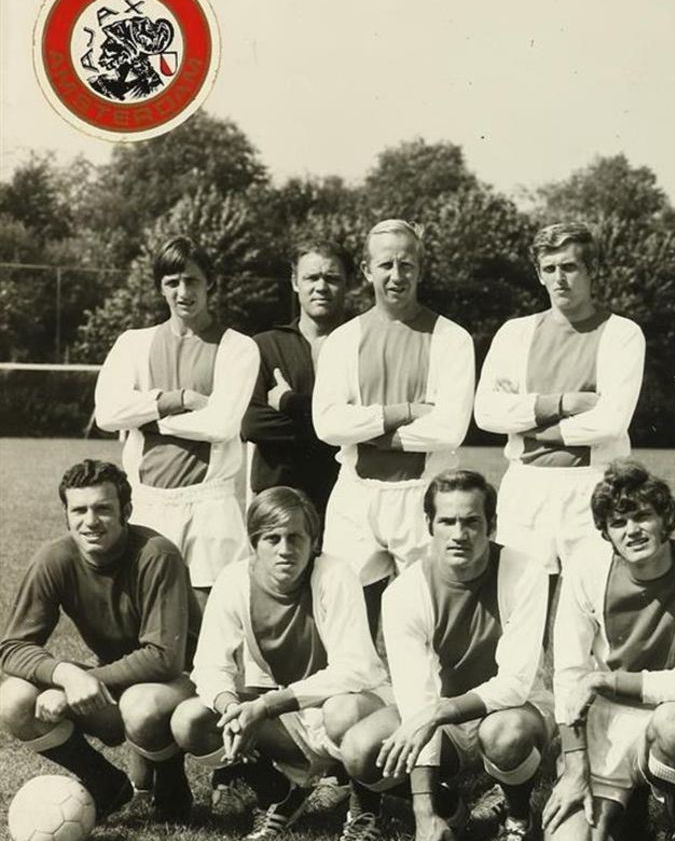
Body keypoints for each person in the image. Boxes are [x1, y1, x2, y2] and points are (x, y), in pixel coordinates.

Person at [335, 471, 554, 841]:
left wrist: (438, 712)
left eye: (472, 521)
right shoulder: (404, 591)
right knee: (359, 750)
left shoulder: (526, 573)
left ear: (492, 525)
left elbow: (516, 682)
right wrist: (424, 812)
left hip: (511, 711)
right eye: (447, 521)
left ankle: (518, 820)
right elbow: (418, 697)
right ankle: (452, 810)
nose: (460, 534)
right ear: (429, 525)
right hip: (440, 717)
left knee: (503, 734)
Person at [544, 461, 675, 841]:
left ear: (667, 517)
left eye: (643, 516)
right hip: (604, 723)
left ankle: (673, 826)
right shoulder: (585, 567)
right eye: (618, 522)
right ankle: (625, 816)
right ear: (606, 532)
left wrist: (604, 680)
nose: (632, 530)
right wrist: (574, 768)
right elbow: (569, 674)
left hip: (668, 714)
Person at [169, 487, 387, 839]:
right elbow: (209, 666)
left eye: (296, 537)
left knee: (343, 712)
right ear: (254, 543)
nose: (285, 549)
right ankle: (278, 794)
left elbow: (356, 669)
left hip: (352, 707)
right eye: (272, 538)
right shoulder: (234, 580)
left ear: (314, 542)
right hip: (289, 717)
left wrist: (267, 705)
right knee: (190, 721)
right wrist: (231, 710)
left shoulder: (335, 574)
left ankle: (364, 807)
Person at [0, 459, 195, 821]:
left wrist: (86, 681)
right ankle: (106, 783)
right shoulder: (55, 559)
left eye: (103, 509)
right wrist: (64, 674)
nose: (90, 521)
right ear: (66, 514)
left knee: (142, 706)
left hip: (181, 684)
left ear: (126, 511)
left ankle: (171, 787)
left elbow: (164, 657)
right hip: (119, 681)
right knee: (13, 699)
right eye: (79, 510)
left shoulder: (156, 554)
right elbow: (12, 647)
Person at [312, 219, 476, 627]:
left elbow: (449, 429)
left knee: (429, 619)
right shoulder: (344, 340)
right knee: (348, 621)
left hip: (424, 496)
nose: (396, 276)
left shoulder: (452, 338)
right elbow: (328, 424)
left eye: (406, 265)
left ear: (420, 269)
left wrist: (368, 434)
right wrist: (403, 413)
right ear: (368, 271)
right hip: (356, 497)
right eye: (385, 265)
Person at [473, 222, 647, 576]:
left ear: (591, 270)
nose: (559, 279)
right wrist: (563, 404)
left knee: (590, 610)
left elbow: (611, 422)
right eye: (549, 269)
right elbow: (487, 413)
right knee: (522, 610)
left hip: (594, 483)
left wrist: (529, 429)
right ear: (539, 274)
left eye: (569, 267)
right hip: (525, 487)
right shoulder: (515, 333)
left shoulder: (622, 333)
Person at [92, 235, 258, 601]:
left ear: (210, 283)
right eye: (172, 282)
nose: (183, 291)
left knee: (212, 621)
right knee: (146, 615)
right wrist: (176, 399)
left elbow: (222, 425)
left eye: (192, 280)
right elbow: (107, 413)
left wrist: (146, 417)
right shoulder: (134, 343)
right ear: (160, 287)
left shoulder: (239, 347)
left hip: (210, 505)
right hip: (147, 502)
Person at [243, 239, 353, 513]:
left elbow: (368, 424)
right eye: (311, 277)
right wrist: (334, 424)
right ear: (294, 282)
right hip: (277, 500)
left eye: (332, 278)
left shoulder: (362, 345)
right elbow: (253, 424)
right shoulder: (264, 346)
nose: (321, 287)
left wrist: (289, 403)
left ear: (347, 283)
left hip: (345, 499)